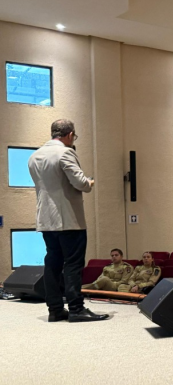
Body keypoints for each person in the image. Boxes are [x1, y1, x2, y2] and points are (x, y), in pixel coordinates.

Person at [27, 119, 108, 322]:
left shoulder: (34, 156)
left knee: (52, 262)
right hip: (68, 219)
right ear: (70, 135)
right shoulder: (65, 152)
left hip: (46, 219)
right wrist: (89, 181)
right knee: (73, 264)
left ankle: (54, 309)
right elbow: (80, 183)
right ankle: (76, 309)